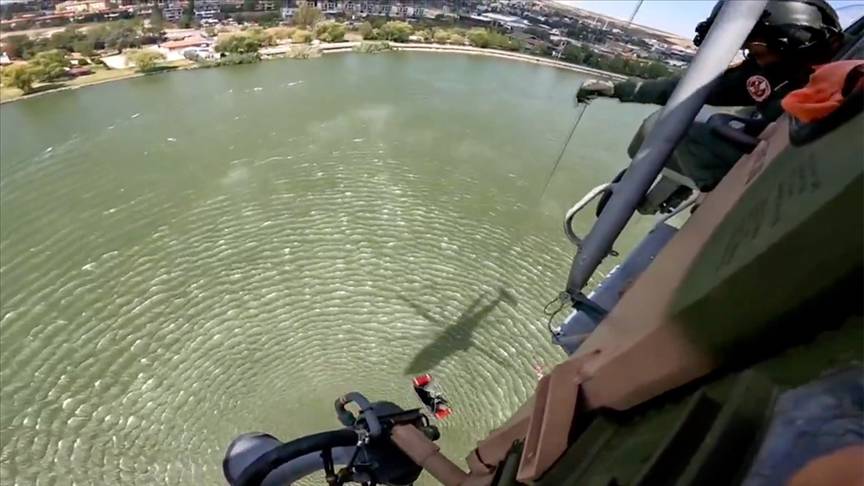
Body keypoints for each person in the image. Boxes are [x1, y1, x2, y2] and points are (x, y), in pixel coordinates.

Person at [577, 0, 845, 192]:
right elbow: (695, 89)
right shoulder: (765, 73)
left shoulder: (843, 80)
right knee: (663, 124)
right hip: (767, 151)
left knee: (680, 133)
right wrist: (619, 89)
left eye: (759, 52)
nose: (755, 60)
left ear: (794, 46)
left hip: (787, 173)